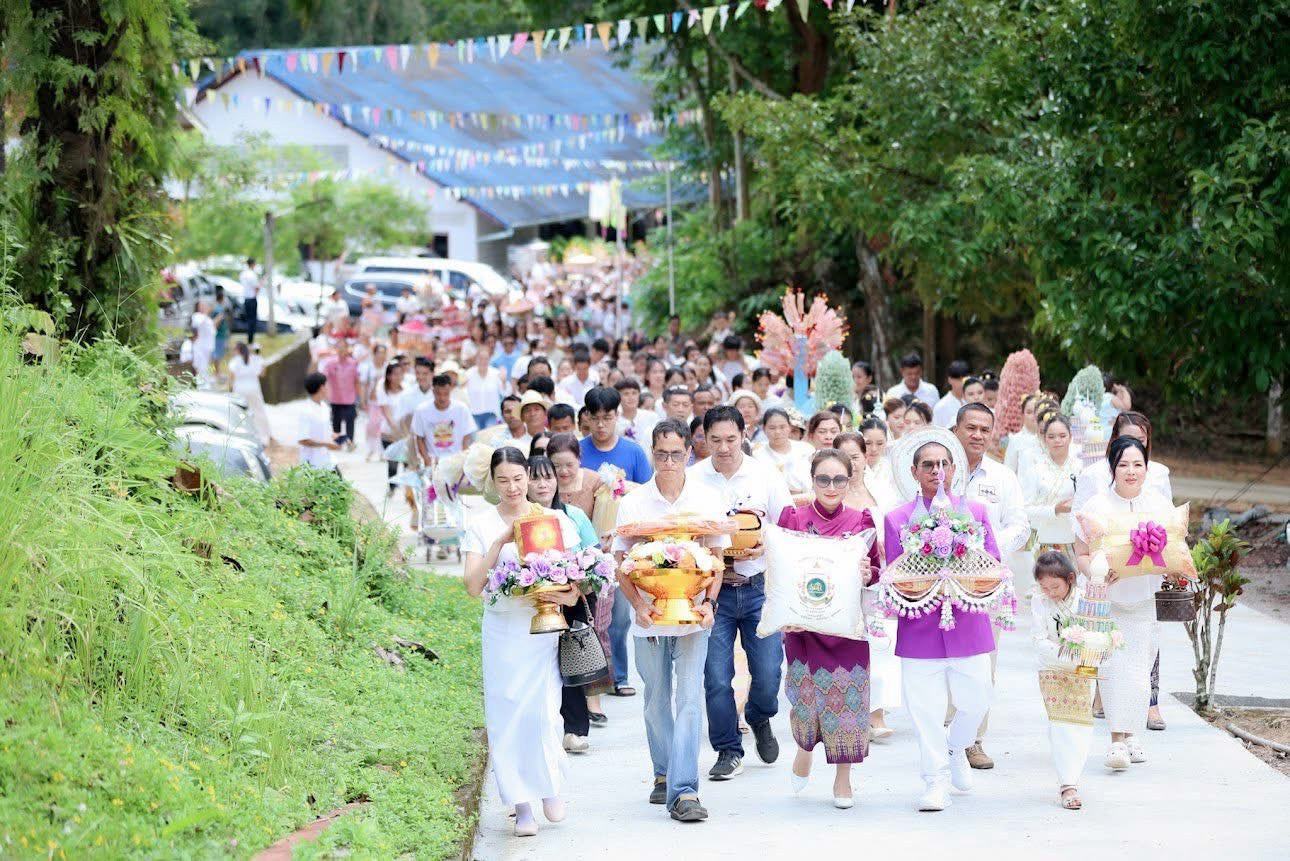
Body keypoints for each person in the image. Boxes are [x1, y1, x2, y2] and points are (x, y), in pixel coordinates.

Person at [462, 447, 581, 837]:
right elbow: (471, 586)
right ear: (492, 483)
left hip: (541, 627)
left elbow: (576, 578)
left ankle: (550, 787)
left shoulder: (553, 519)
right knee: (507, 714)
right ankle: (521, 804)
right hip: (501, 630)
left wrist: (566, 596)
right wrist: (498, 544)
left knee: (544, 710)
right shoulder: (480, 523)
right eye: (503, 481)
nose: (512, 487)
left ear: (529, 476)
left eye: (518, 478)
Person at [613, 420, 725, 822]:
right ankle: (663, 772)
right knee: (656, 698)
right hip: (650, 616)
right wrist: (637, 605)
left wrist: (710, 602)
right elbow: (620, 563)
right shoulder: (634, 503)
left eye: (676, 454)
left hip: (694, 614)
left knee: (690, 698)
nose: (669, 462)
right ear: (651, 454)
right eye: (661, 454)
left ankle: (684, 790)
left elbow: (717, 560)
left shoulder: (707, 498)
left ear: (688, 454)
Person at [883, 431, 1000, 811]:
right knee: (925, 712)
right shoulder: (897, 518)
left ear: (953, 469)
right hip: (920, 628)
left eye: (943, 464)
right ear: (914, 472)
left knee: (979, 698)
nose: (937, 471)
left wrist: (965, 578)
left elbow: (994, 566)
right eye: (928, 465)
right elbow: (897, 574)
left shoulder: (977, 513)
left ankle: (956, 747)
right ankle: (934, 781)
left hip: (968, 623)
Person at [691, 406, 793, 780]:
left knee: (767, 672)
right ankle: (727, 749)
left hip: (759, 588)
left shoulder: (765, 475)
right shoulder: (693, 480)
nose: (723, 448)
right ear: (703, 437)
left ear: (744, 434)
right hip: (711, 593)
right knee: (716, 675)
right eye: (714, 440)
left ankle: (760, 716)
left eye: (730, 439)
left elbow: (788, 526)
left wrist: (764, 546)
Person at [777, 448, 882, 808]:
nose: (831, 486)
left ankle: (843, 779)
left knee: (847, 705)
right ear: (813, 480)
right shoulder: (792, 517)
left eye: (839, 479)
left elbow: (876, 569)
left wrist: (869, 574)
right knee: (805, 700)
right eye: (824, 479)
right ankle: (805, 747)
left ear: (849, 480)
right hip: (802, 626)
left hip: (846, 628)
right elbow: (777, 567)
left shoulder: (861, 520)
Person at [1071, 411, 1173, 731]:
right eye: (1124, 463)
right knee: (1113, 670)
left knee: (1141, 674)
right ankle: (1120, 739)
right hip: (1109, 599)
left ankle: (1133, 732)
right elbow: (1081, 549)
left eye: (1138, 461)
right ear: (1113, 461)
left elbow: (1172, 545)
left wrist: (1171, 568)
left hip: (1144, 599)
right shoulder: (1096, 499)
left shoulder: (1157, 499)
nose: (1131, 470)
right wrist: (1096, 574)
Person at [950, 402, 1030, 769]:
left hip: (987, 583)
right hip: (942, 584)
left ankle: (974, 740)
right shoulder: (938, 471)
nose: (978, 435)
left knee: (984, 661)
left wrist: (987, 545)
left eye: (985, 429)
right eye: (971, 428)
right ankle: (945, 735)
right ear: (957, 429)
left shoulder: (1002, 478)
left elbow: (1021, 526)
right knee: (943, 660)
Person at [526, 454, 602, 755]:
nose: (543, 483)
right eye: (535, 477)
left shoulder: (571, 516)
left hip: (570, 600)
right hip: (532, 604)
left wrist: (574, 587)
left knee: (569, 663)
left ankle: (575, 729)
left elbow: (593, 561)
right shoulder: (520, 521)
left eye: (548, 476)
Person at [1030, 551, 1092, 810]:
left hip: (1083, 668)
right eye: (1044, 587)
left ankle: (1073, 775)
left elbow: (1097, 630)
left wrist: (1085, 653)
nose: (1050, 592)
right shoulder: (1039, 601)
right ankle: (1068, 785)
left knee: (1081, 724)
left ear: (1070, 579)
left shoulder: (1085, 598)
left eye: (1055, 586)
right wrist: (1064, 654)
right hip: (1052, 668)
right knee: (1060, 724)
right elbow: (1038, 638)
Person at [1019, 410, 1081, 559]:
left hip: (1076, 540)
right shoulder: (1035, 470)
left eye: (1062, 436)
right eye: (1051, 437)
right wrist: (1055, 509)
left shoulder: (1081, 467)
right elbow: (1024, 509)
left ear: (1070, 437)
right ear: (1044, 439)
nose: (1057, 441)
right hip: (1044, 541)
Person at [578, 387, 653, 484]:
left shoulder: (634, 452)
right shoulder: (576, 451)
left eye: (607, 418)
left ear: (617, 415)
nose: (600, 424)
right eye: (595, 418)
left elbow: (646, 491)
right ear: (588, 416)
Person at [412, 373, 477, 465]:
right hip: (434, 460)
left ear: (450, 390)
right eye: (438, 394)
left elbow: (467, 436)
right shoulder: (421, 410)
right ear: (433, 391)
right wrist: (427, 460)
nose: (442, 398)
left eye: (446, 394)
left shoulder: (462, 409)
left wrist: (464, 457)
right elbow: (419, 438)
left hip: (456, 460)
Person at [752, 408, 814, 495]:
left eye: (782, 427)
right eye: (772, 428)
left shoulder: (806, 449)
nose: (777, 432)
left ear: (789, 427)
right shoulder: (757, 455)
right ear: (764, 429)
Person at [319, 340, 360, 452]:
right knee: (336, 423)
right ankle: (338, 443)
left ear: (348, 349)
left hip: (350, 399)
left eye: (344, 347)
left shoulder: (353, 363)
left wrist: (360, 397)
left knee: (350, 422)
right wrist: (325, 394)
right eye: (339, 347)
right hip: (335, 399)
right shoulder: (330, 363)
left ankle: (350, 442)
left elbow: (357, 381)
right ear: (336, 349)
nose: (342, 350)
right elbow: (324, 379)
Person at [296, 372, 340, 470]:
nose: (328, 388)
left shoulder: (324, 407)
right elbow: (303, 440)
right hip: (312, 465)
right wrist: (326, 444)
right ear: (321, 387)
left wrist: (335, 436)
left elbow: (324, 430)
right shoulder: (306, 411)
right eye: (326, 385)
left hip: (328, 461)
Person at [859, 417, 900, 516]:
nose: (874, 449)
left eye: (880, 443)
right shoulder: (853, 469)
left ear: (886, 441)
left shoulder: (893, 469)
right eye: (868, 443)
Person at [465, 336, 506, 430]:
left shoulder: (496, 373)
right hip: (473, 414)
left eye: (486, 358)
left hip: (491, 414)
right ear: (476, 359)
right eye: (480, 358)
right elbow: (463, 393)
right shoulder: (468, 374)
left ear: (489, 359)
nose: (483, 361)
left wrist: (503, 381)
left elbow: (504, 393)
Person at [1005, 393, 1046, 473]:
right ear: (1022, 415)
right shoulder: (1016, 440)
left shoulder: (1049, 439)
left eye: (1038, 411)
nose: (1034, 415)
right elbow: (1009, 471)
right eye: (1029, 412)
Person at [614, 377, 659, 444]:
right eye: (626, 394)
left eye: (634, 393)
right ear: (618, 397)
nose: (631, 397)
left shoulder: (652, 417)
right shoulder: (614, 421)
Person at [932, 359, 970, 428]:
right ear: (949, 380)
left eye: (964, 379)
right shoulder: (941, 406)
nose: (961, 383)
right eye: (958, 379)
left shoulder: (974, 400)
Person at [190, 300, 216, 387]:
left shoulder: (208, 318)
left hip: (208, 346)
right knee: (201, 366)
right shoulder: (196, 316)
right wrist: (205, 313)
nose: (204, 307)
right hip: (200, 346)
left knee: (206, 366)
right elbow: (198, 323)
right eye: (202, 305)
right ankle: (201, 385)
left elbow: (212, 331)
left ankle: (205, 383)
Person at [211, 285, 233, 375]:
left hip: (218, 335)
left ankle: (217, 372)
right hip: (219, 335)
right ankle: (217, 372)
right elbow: (217, 322)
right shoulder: (220, 309)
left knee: (217, 354)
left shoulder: (215, 308)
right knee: (217, 355)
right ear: (222, 298)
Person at [238, 258, 260, 345]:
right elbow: (256, 287)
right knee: (252, 320)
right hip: (252, 299)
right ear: (253, 264)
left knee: (249, 320)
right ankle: (251, 340)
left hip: (246, 299)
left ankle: (250, 338)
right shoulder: (252, 275)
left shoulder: (243, 274)